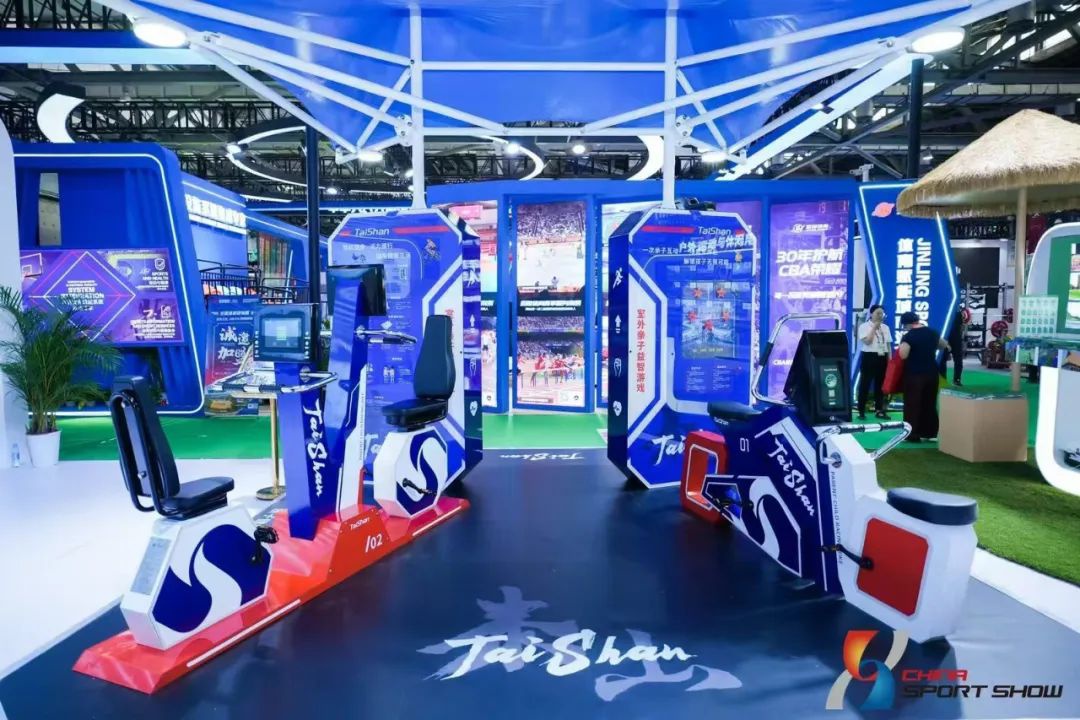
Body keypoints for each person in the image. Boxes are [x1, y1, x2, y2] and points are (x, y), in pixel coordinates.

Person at [897, 311, 949, 442]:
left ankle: (912, 434)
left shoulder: (909, 336)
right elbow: (943, 345)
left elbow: (903, 354)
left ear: (906, 324)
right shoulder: (932, 332)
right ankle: (930, 433)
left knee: (912, 404)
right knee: (929, 403)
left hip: (914, 374)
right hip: (932, 373)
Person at [856, 305, 892, 420]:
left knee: (880, 385)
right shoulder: (864, 326)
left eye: (882, 314)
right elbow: (867, 341)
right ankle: (861, 410)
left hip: (882, 357)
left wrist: (890, 360)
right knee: (865, 384)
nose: (880, 316)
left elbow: (888, 345)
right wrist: (874, 328)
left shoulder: (885, 327)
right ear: (871, 314)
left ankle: (879, 410)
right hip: (869, 357)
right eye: (878, 313)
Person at [944, 307, 968, 386]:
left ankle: (957, 380)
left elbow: (963, 325)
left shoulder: (959, 313)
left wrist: (962, 335)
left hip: (955, 338)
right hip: (946, 337)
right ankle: (944, 380)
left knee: (958, 360)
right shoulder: (944, 311)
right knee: (943, 360)